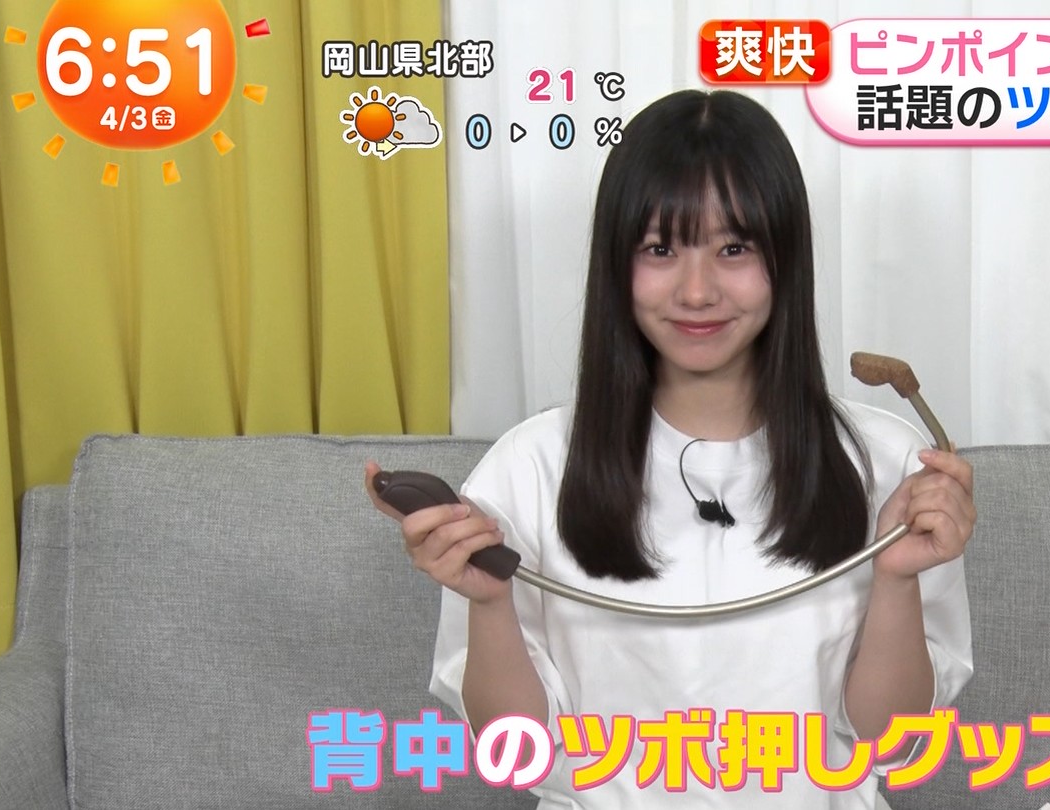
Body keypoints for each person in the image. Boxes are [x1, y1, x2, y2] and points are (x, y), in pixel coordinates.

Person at [367, 89, 974, 808]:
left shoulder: (886, 463)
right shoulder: (529, 468)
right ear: (616, 264)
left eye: (734, 249)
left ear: (786, 259)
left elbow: (890, 745)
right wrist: (490, 603)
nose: (697, 291)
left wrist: (897, 580)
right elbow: (518, 757)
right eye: (660, 250)